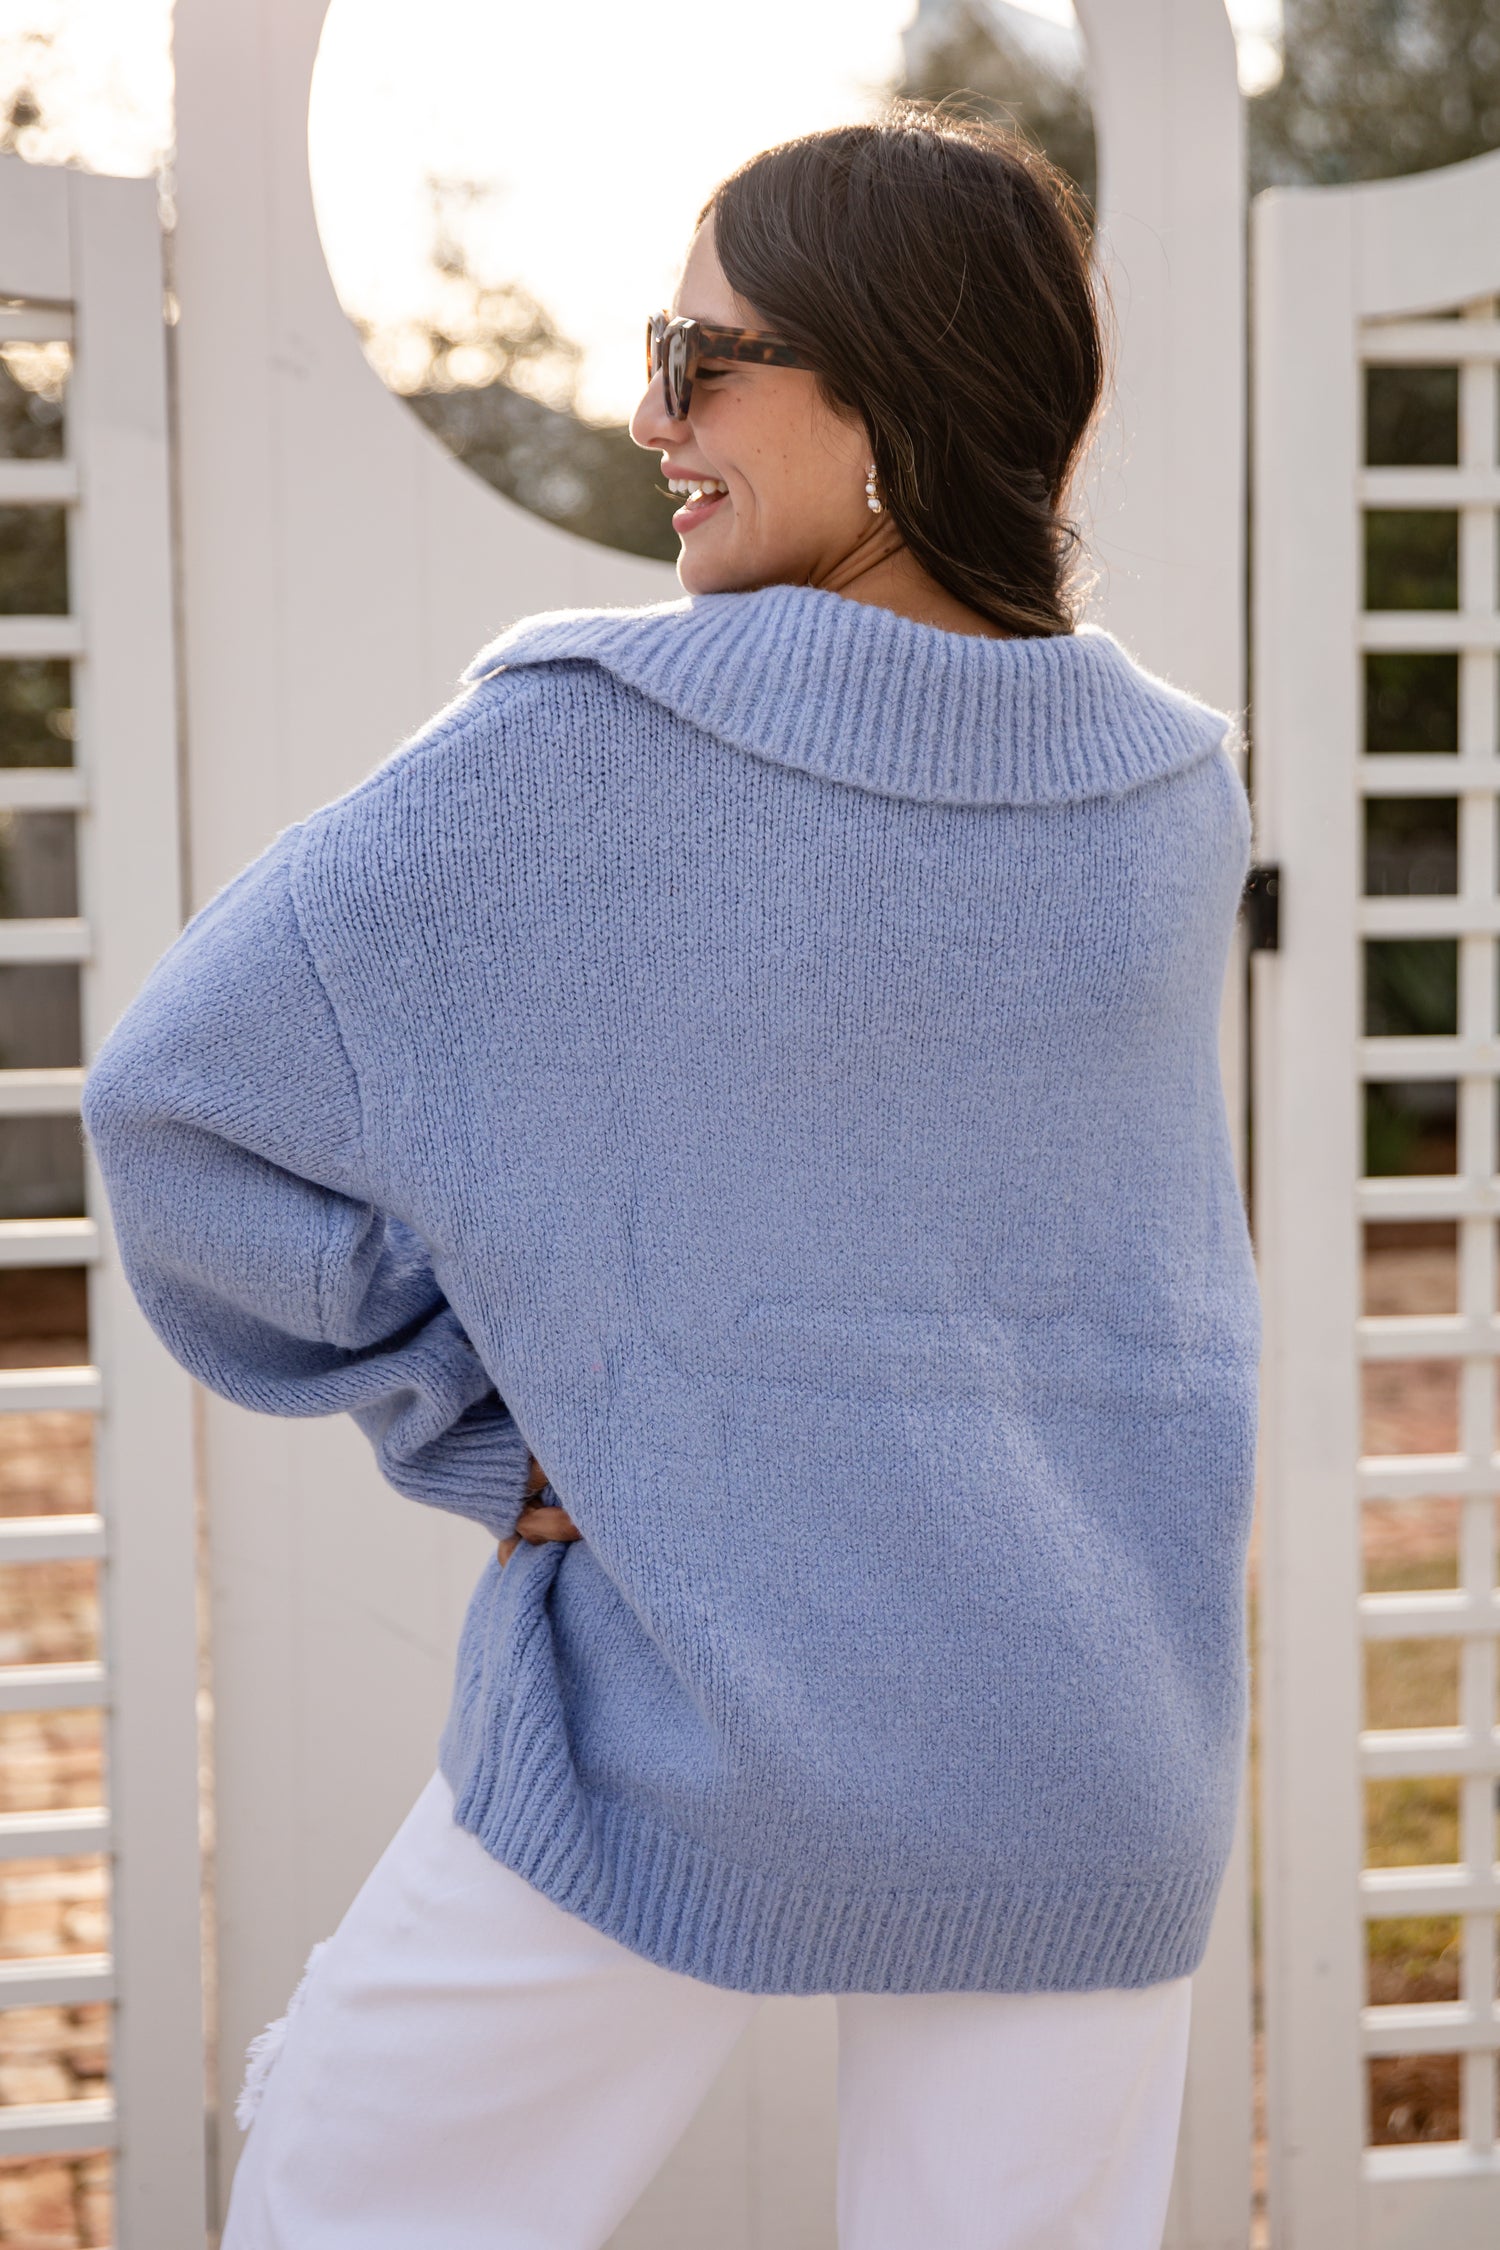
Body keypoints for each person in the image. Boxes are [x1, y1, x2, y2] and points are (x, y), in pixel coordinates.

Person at [81, 104, 1259, 2250]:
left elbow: (178, 1102)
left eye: (700, 359)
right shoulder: (1174, 791)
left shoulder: (583, 741)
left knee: (349, 2208)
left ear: (886, 390)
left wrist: (488, 1426)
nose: (651, 416)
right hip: (1083, 1744)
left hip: (677, 1721)